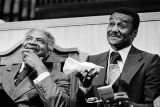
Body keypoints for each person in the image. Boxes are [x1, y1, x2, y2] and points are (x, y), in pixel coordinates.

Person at [74, 7, 160, 107]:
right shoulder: (92, 60)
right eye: (111, 24)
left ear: (134, 33)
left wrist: (130, 105)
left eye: (122, 26)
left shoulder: (150, 61)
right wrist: (85, 87)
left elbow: (152, 105)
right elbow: (80, 105)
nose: (114, 29)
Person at [0, 28, 70, 107]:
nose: (32, 42)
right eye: (29, 38)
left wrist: (38, 66)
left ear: (48, 52)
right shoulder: (2, 71)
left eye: (40, 41)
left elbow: (59, 105)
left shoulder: (60, 77)